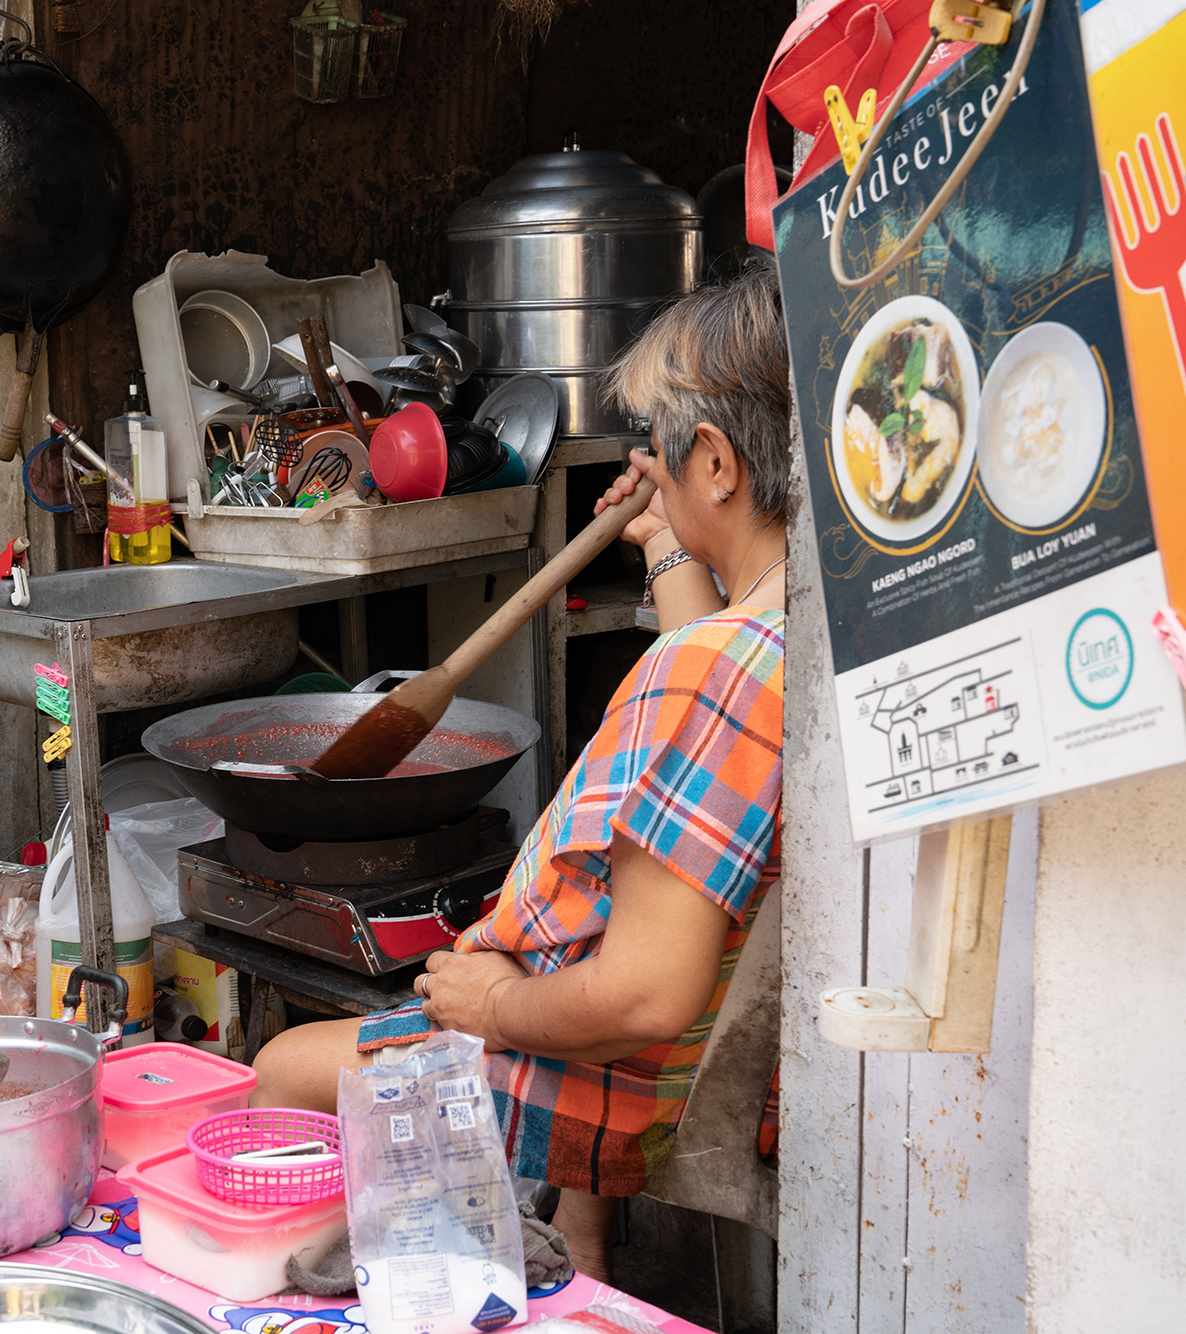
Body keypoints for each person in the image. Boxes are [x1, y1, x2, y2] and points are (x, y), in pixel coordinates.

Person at [250, 263, 791, 1281]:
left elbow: (642, 994)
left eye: (665, 449)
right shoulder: (783, 637)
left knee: (281, 1069)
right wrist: (669, 544)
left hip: (594, 1075)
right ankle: (569, 1252)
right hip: (681, 1062)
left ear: (716, 461)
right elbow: (706, 703)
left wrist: (490, 1009)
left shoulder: (709, 671)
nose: (654, 469)